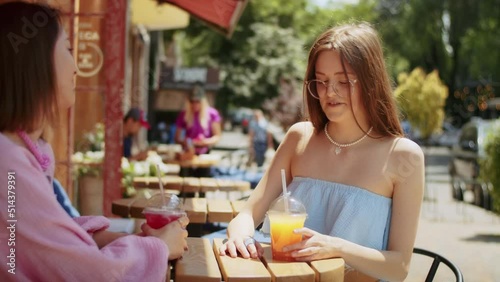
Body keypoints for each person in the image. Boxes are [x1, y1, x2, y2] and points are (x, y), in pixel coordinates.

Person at [218, 22, 424, 282]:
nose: (330, 92)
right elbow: (248, 214)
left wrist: (335, 248)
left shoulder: (404, 156)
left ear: (371, 82)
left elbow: (399, 267)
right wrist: (239, 236)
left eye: (344, 81)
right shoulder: (299, 137)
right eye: (322, 81)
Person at [0, 2, 188, 281]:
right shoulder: (9, 164)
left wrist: (116, 238)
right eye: (68, 50)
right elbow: (93, 274)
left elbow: (50, 239)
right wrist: (158, 247)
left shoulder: (28, 151)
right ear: (35, 62)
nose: (76, 67)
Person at [174, 84, 222, 178]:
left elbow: (217, 136)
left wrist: (205, 142)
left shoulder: (212, 114)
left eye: (197, 101)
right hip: (188, 152)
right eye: (192, 101)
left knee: (203, 183)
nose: (195, 104)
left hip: (204, 153)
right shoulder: (184, 114)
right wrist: (186, 142)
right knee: (186, 185)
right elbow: (177, 137)